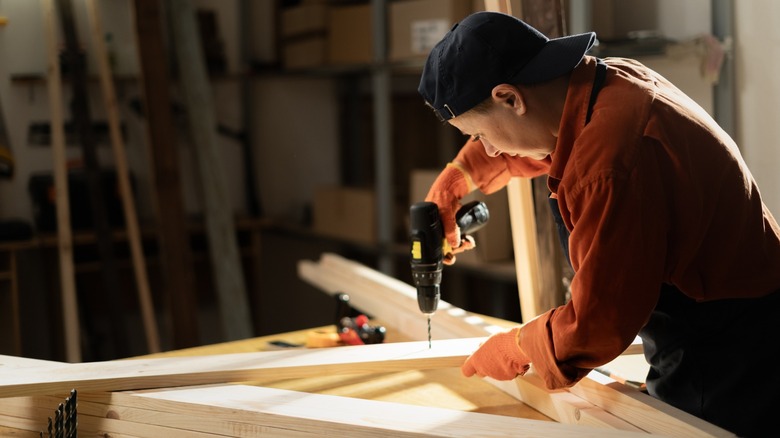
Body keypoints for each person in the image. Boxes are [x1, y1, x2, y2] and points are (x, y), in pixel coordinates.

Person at [418, 11, 780, 437]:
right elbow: (545, 137)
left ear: (510, 98)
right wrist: (459, 176)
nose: (489, 150)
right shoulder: (606, 83)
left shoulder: (607, 164)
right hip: (738, 307)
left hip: (728, 349)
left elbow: (601, 321)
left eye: (479, 136)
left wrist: (519, 346)